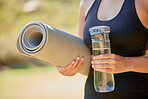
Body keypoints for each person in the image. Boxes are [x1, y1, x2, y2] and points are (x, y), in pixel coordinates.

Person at [54, 0, 148, 98]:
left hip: (135, 92)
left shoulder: (143, 2)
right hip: (93, 93)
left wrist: (128, 63)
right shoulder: (86, 3)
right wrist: (68, 65)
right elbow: (84, 56)